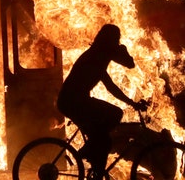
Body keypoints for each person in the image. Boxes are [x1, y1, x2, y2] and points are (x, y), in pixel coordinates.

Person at [56, 24, 148, 180]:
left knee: (102, 139)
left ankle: (94, 163)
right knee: (111, 123)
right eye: (116, 39)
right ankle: (89, 153)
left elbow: (111, 85)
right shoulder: (98, 56)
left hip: (75, 100)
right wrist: (123, 50)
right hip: (73, 102)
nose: (117, 42)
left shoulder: (97, 55)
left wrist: (131, 103)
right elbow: (128, 65)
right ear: (110, 40)